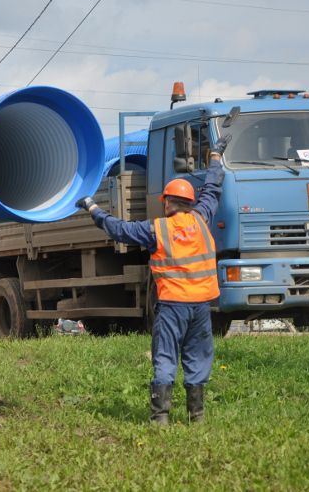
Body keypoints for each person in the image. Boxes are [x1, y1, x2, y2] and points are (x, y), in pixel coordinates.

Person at [76, 134, 231, 425]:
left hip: (172, 306)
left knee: (165, 358)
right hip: (201, 307)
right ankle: (196, 418)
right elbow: (213, 188)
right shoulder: (202, 218)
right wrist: (214, 157)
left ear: (168, 203)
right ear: (190, 202)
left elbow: (119, 229)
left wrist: (92, 208)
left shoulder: (156, 230)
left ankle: (160, 419)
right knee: (197, 360)